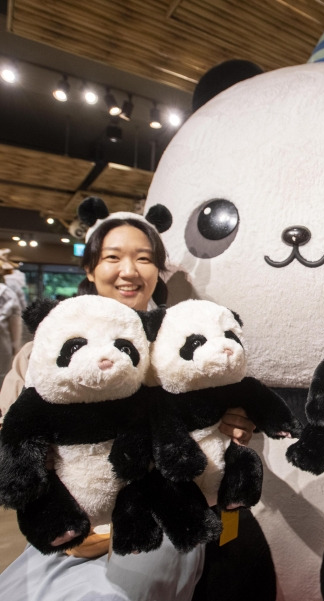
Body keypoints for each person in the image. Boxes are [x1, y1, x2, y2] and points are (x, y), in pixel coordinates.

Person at [0, 214, 255, 601]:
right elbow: (11, 438)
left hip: (160, 521)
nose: (129, 271)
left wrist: (234, 425)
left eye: (144, 258)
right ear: (90, 267)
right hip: (73, 526)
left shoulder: (181, 347)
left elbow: (221, 426)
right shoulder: (45, 353)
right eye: (113, 257)